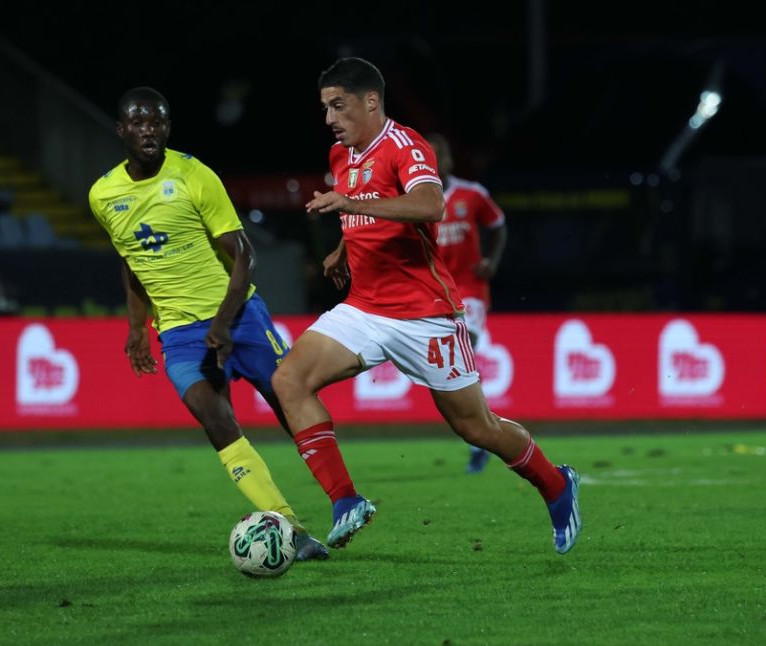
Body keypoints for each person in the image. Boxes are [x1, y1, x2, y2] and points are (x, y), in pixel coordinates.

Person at [271, 58, 582, 554]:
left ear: (370, 101)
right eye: (325, 107)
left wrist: (350, 206)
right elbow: (365, 215)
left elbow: (428, 205)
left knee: (475, 427)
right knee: (289, 379)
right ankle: (345, 501)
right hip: (364, 308)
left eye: (338, 105)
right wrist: (342, 249)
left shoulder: (405, 146)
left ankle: (556, 483)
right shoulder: (341, 155)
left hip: (424, 314)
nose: (330, 117)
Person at [88, 87, 333, 561]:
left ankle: (342, 497)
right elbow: (131, 261)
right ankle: (290, 527)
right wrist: (138, 327)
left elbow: (243, 253)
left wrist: (222, 324)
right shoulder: (103, 194)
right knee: (215, 418)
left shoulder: (193, 174)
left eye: (157, 122)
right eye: (138, 123)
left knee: (290, 404)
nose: (149, 131)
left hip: (238, 315)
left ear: (167, 128)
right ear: (121, 130)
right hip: (178, 335)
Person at [425, 133, 508, 473]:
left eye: (439, 155)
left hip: (470, 289)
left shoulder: (472, 195)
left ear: (448, 160)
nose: (435, 161)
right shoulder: (415, 202)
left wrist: (492, 261)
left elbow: (499, 225)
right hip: (433, 293)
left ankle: (483, 435)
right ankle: (479, 432)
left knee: (464, 347)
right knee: (448, 367)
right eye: (428, 156)